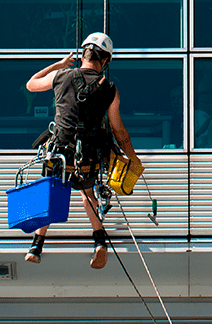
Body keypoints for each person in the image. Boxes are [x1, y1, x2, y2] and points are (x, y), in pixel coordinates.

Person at [23, 32, 143, 269]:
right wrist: (133, 160)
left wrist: (58, 64)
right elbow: (119, 132)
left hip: (59, 149)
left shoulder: (60, 76)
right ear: (105, 60)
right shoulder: (109, 89)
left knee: (51, 191)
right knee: (87, 193)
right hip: (87, 153)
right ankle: (99, 240)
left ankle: (37, 244)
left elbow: (31, 84)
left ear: (83, 55)